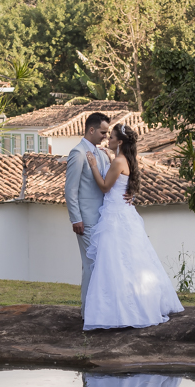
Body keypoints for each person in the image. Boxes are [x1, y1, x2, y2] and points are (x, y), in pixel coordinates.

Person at [80, 123, 184, 330]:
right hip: (123, 213)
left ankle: (120, 311)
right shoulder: (126, 159)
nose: (107, 140)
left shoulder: (118, 161)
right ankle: (133, 305)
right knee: (130, 260)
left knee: (114, 261)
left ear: (119, 142)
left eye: (111, 137)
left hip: (115, 216)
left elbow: (104, 186)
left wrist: (93, 164)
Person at [64, 112, 113, 314]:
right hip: (86, 220)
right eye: (103, 132)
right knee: (91, 265)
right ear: (91, 130)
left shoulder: (101, 155)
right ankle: (89, 312)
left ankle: (96, 310)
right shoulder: (77, 153)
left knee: (99, 265)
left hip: (102, 220)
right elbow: (70, 189)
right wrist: (76, 218)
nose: (105, 136)